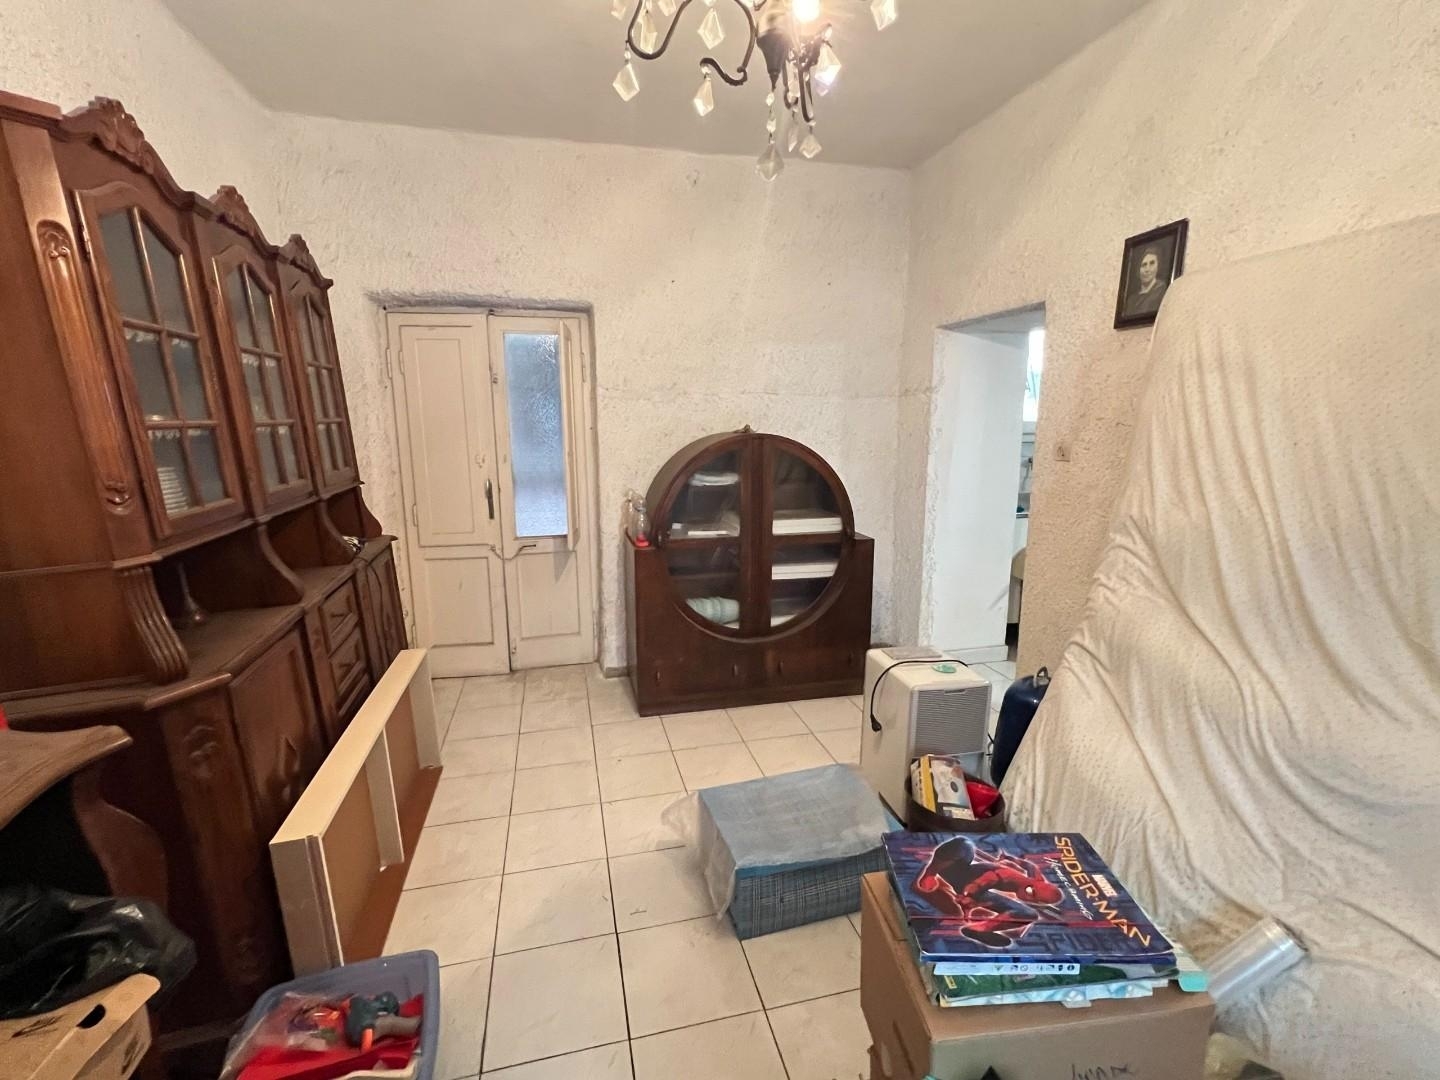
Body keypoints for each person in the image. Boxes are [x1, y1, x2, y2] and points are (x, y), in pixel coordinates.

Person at [1128, 245, 1170, 316]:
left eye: (1152, 263)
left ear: (1158, 266)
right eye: (1143, 265)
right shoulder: (1131, 300)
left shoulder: (1162, 290)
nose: (1147, 269)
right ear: (1138, 269)